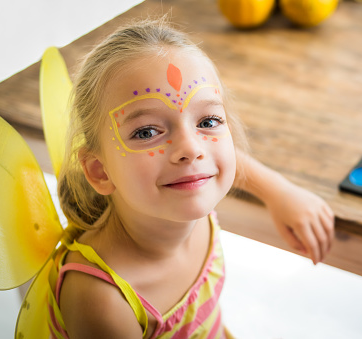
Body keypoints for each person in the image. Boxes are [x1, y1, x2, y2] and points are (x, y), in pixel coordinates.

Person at [51, 17, 334, 338]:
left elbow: (225, 158)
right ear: (99, 171)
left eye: (208, 121)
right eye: (146, 132)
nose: (191, 148)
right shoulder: (103, 302)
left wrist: (279, 192)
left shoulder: (178, 192)